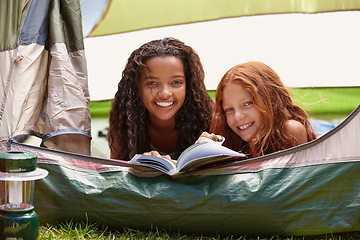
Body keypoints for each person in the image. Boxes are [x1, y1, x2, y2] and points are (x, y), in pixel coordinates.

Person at [108, 37, 213, 160]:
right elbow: (118, 175)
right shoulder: (124, 119)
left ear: (188, 86)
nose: (165, 93)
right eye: (152, 83)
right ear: (137, 88)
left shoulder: (209, 116)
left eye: (176, 82)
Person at [199, 61, 316, 158]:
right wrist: (206, 152)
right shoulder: (233, 138)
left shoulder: (290, 130)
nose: (238, 116)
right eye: (229, 109)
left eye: (248, 104)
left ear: (271, 100)